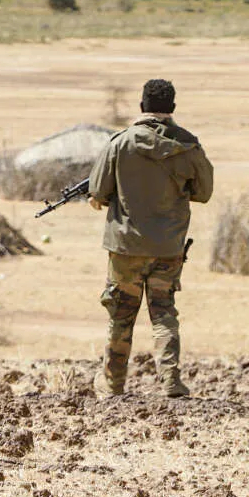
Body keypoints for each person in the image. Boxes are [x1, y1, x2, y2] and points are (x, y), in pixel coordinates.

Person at [86, 79, 213, 398]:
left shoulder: (120, 142)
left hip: (126, 248)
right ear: (171, 107)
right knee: (164, 312)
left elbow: (97, 193)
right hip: (168, 247)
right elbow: (204, 192)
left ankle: (113, 385)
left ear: (142, 106)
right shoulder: (188, 145)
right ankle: (171, 381)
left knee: (121, 315)